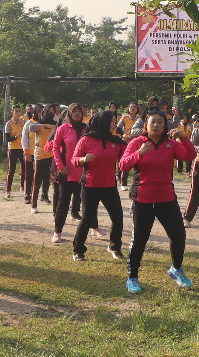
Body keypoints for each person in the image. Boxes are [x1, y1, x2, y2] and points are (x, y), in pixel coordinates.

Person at [119, 110, 196, 292]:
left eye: (160, 122)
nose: (156, 125)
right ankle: (132, 277)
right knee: (139, 240)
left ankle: (176, 269)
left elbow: (190, 155)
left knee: (178, 236)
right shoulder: (137, 143)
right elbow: (123, 165)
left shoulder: (170, 144)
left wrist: (184, 138)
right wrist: (138, 153)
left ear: (165, 125)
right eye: (152, 121)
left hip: (166, 198)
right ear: (146, 124)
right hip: (142, 199)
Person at [70, 111, 126, 261]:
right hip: (90, 185)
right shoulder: (86, 139)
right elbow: (74, 160)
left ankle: (114, 247)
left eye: (116, 121)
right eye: (112, 121)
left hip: (109, 186)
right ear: (103, 122)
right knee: (87, 219)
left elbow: (127, 157)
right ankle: (78, 250)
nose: (114, 124)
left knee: (118, 217)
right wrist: (83, 159)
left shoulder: (117, 141)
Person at [50, 102, 92, 244]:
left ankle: (91, 229)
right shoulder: (63, 128)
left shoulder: (86, 129)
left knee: (86, 203)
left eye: (80, 111)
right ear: (69, 113)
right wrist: (60, 166)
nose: (77, 113)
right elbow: (55, 148)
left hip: (83, 172)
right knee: (63, 202)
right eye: (74, 111)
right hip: (66, 171)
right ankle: (57, 231)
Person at [23, 106, 56, 212]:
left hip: (51, 155)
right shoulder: (37, 124)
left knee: (51, 179)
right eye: (47, 112)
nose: (49, 114)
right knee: (37, 181)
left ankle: (47, 197)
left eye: (52, 112)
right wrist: (45, 125)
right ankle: (33, 205)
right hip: (39, 155)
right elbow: (31, 128)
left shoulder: (55, 125)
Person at [3, 103, 28, 199]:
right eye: (16, 111)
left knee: (25, 168)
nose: (18, 113)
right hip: (13, 149)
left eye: (19, 111)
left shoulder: (23, 122)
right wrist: (16, 137)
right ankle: (8, 190)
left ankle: (22, 187)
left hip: (22, 148)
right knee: (11, 169)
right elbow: (7, 139)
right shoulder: (9, 124)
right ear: (12, 113)